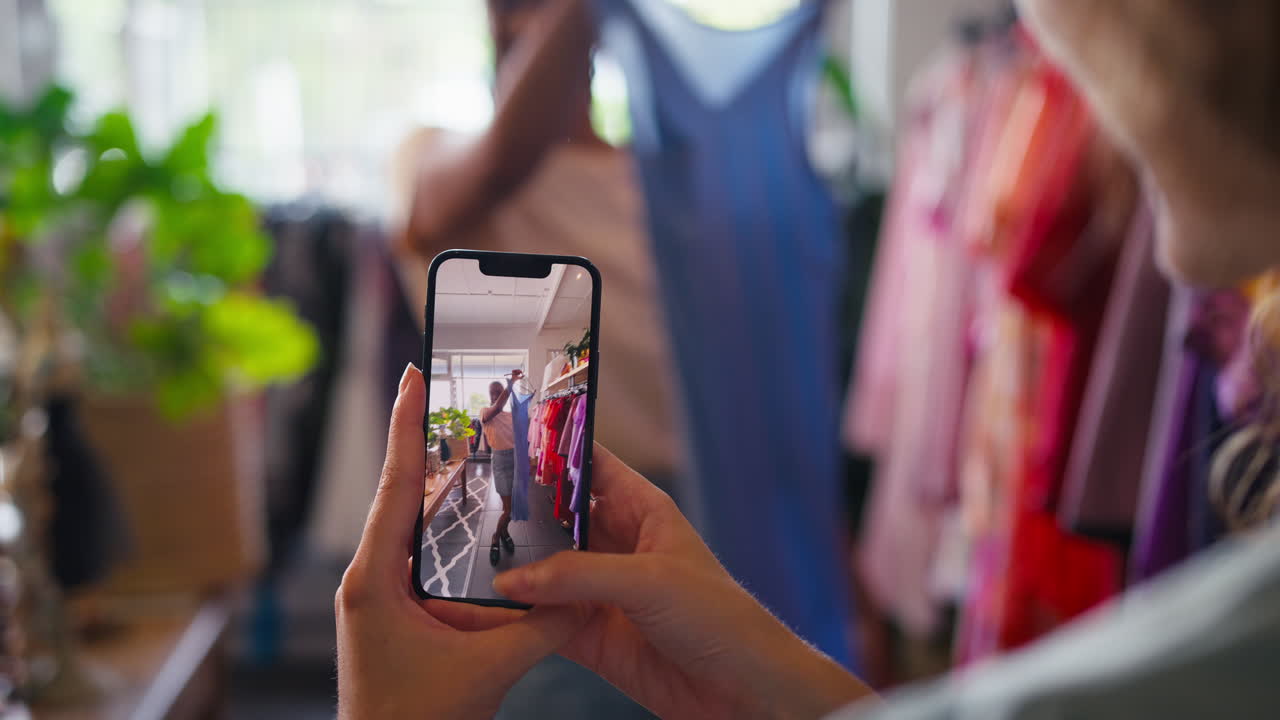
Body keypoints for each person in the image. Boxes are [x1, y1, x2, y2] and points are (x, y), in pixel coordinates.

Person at [339, 1, 1280, 718]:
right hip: (520, 505)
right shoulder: (441, 157)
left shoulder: (675, 182)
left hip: (679, 509)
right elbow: (503, 153)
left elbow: (774, 387)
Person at [393, 0, 684, 499]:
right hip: (523, 491)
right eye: (507, 5)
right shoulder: (431, 156)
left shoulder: (666, 184)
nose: (519, 23)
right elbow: (496, 163)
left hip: (679, 499)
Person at [481, 370, 523, 566]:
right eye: (493, 392)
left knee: (511, 509)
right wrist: (512, 382)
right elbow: (497, 407)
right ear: (489, 395)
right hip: (500, 462)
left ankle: (504, 533)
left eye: (499, 391)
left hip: (514, 460)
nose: (497, 395)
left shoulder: (509, 415)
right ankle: (496, 538)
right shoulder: (485, 413)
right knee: (509, 509)